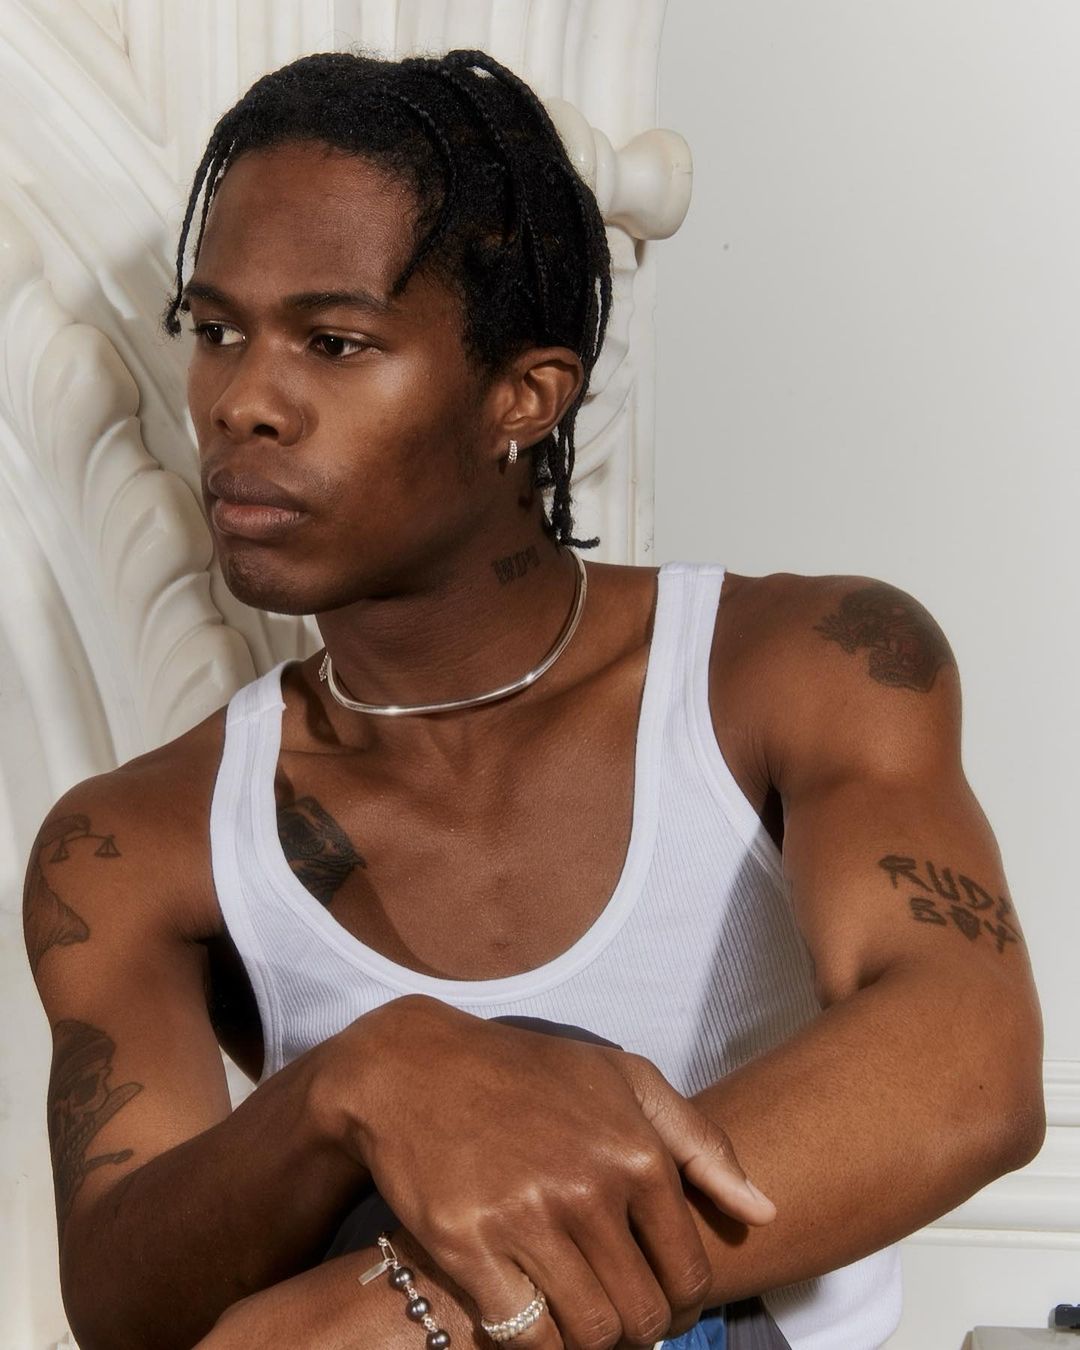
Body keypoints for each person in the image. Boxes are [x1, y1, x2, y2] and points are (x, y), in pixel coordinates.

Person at [23, 49, 1044, 1350]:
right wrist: (358, 1080)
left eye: (334, 343)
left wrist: (422, 1305)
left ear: (524, 395)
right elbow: (126, 1302)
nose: (243, 404)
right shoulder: (135, 839)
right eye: (217, 331)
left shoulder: (804, 664)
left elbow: (966, 1064)